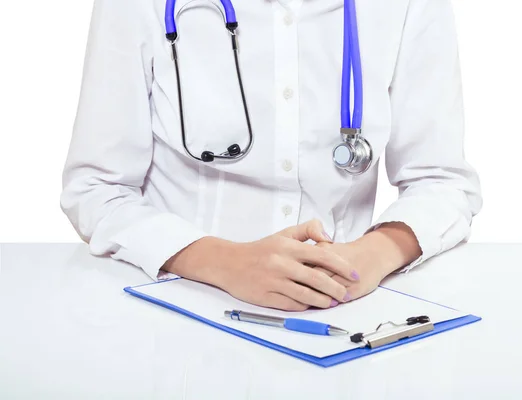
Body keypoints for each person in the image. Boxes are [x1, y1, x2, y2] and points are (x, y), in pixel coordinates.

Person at [61, 0, 482, 312]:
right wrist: (225, 262)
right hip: (179, 303)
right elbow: (96, 189)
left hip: (341, 314)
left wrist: (368, 258)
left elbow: (441, 180)